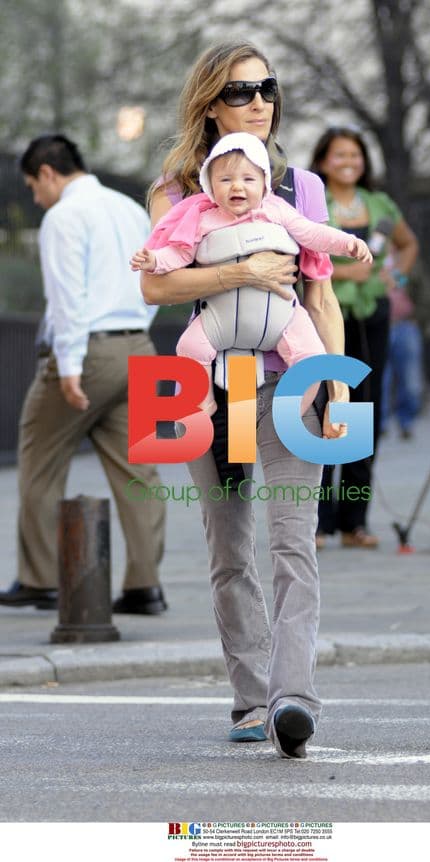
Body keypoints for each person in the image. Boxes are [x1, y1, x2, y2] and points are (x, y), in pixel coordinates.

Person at [141, 41, 349, 758]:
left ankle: (295, 700)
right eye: (240, 91)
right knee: (229, 548)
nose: (259, 101)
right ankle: (252, 697)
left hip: (295, 380)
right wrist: (246, 269)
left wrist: (338, 386)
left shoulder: (302, 188)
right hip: (211, 384)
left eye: (267, 88)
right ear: (210, 104)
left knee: (296, 542)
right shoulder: (174, 191)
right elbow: (156, 285)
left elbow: (321, 296)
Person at [0, 135, 167, 615]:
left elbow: (68, 298)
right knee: (139, 471)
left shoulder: (64, 216)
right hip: (138, 346)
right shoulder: (129, 209)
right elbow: (154, 280)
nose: (36, 198)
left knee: (40, 455)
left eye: (34, 186)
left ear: (47, 173)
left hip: (88, 352)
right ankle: (145, 587)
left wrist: (69, 366)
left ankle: (41, 579)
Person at [132, 131, 371, 416]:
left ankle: (293, 411)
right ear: (210, 186)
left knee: (310, 357)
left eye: (248, 179)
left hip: (282, 317)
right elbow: (178, 253)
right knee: (189, 347)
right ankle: (202, 402)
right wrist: (154, 260)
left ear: (264, 184)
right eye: (225, 180)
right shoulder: (203, 219)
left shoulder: (278, 210)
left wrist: (348, 243)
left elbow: (313, 234)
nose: (237, 187)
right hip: (219, 321)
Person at [309, 126, 419, 549]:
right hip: (326, 316)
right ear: (323, 161)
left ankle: (355, 522)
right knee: (325, 410)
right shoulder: (313, 204)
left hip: (372, 316)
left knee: (363, 414)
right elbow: (300, 257)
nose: (348, 162)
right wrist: (342, 273)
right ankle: (319, 522)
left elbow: (407, 244)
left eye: (355, 155)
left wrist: (396, 277)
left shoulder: (379, 205)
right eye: (339, 155)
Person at [380, 265, 423, 440]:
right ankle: (380, 424)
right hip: (378, 325)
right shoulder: (365, 253)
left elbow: (420, 287)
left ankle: (407, 422)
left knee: (410, 379)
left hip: (405, 324)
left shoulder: (406, 258)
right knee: (381, 378)